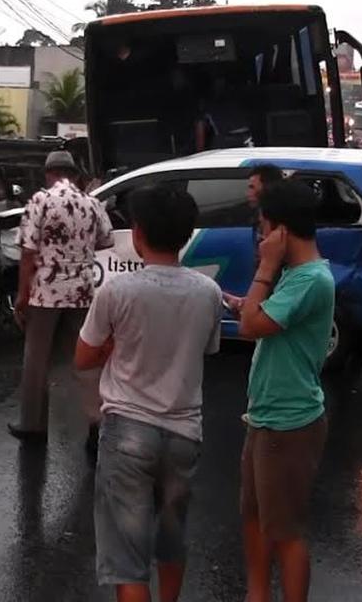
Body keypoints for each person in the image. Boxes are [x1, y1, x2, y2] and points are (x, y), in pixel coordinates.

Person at [75, 185, 222, 602]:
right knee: (172, 537)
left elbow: (83, 357)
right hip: (184, 433)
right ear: (188, 235)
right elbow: (207, 349)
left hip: (127, 432)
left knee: (128, 555)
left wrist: (113, 346)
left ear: (136, 233)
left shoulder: (116, 291)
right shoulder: (207, 292)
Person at [222, 179, 333, 602]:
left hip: (289, 424)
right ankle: (256, 594)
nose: (261, 239)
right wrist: (241, 301)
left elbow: (252, 328)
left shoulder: (308, 279)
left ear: (282, 230)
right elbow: (258, 316)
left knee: (285, 531)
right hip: (266, 416)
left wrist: (264, 269)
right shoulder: (296, 276)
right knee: (253, 516)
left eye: (265, 228)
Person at [9, 151, 114, 446]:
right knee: (86, 360)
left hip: (45, 293)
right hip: (82, 290)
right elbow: (107, 239)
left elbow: (28, 252)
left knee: (36, 359)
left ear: (49, 173)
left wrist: (21, 295)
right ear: (73, 173)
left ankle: (33, 426)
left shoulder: (40, 201)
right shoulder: (91, 203)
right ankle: (97, 423)